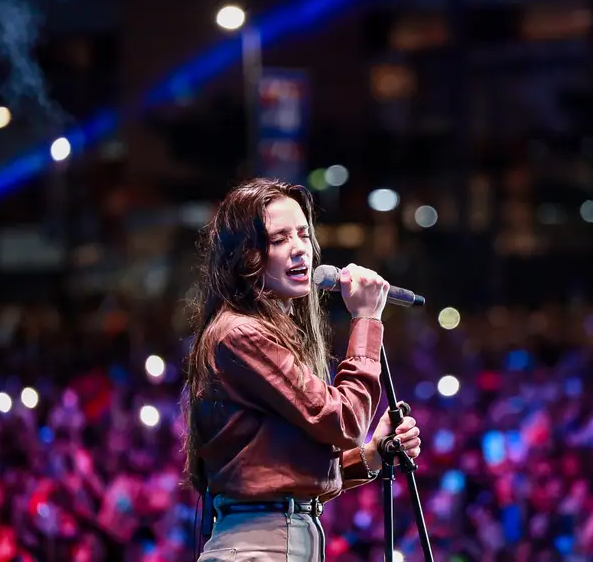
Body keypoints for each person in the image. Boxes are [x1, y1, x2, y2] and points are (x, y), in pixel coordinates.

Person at [181, 178, 423, 562]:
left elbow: (288, 475)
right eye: (279, 239)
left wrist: (373, 455)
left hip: (278, 542)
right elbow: (344, 421)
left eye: (303, 234)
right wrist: (366, 319)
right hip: (260, 548)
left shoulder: (267, 334)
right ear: (245, 255)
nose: (299, 249)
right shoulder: (242, 334)